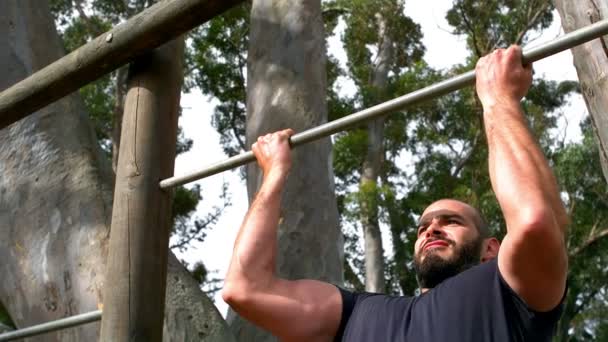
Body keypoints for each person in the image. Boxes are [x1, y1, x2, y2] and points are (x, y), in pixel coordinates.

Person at [222, 45, 569, 341]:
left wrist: (498, 100)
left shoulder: (507, 295)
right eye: (424, 227)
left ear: (490, 248)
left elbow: (537, 220)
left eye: (451, 222)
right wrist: (275, 173)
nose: (431, 229)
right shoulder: (354, 314)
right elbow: (245, 288)